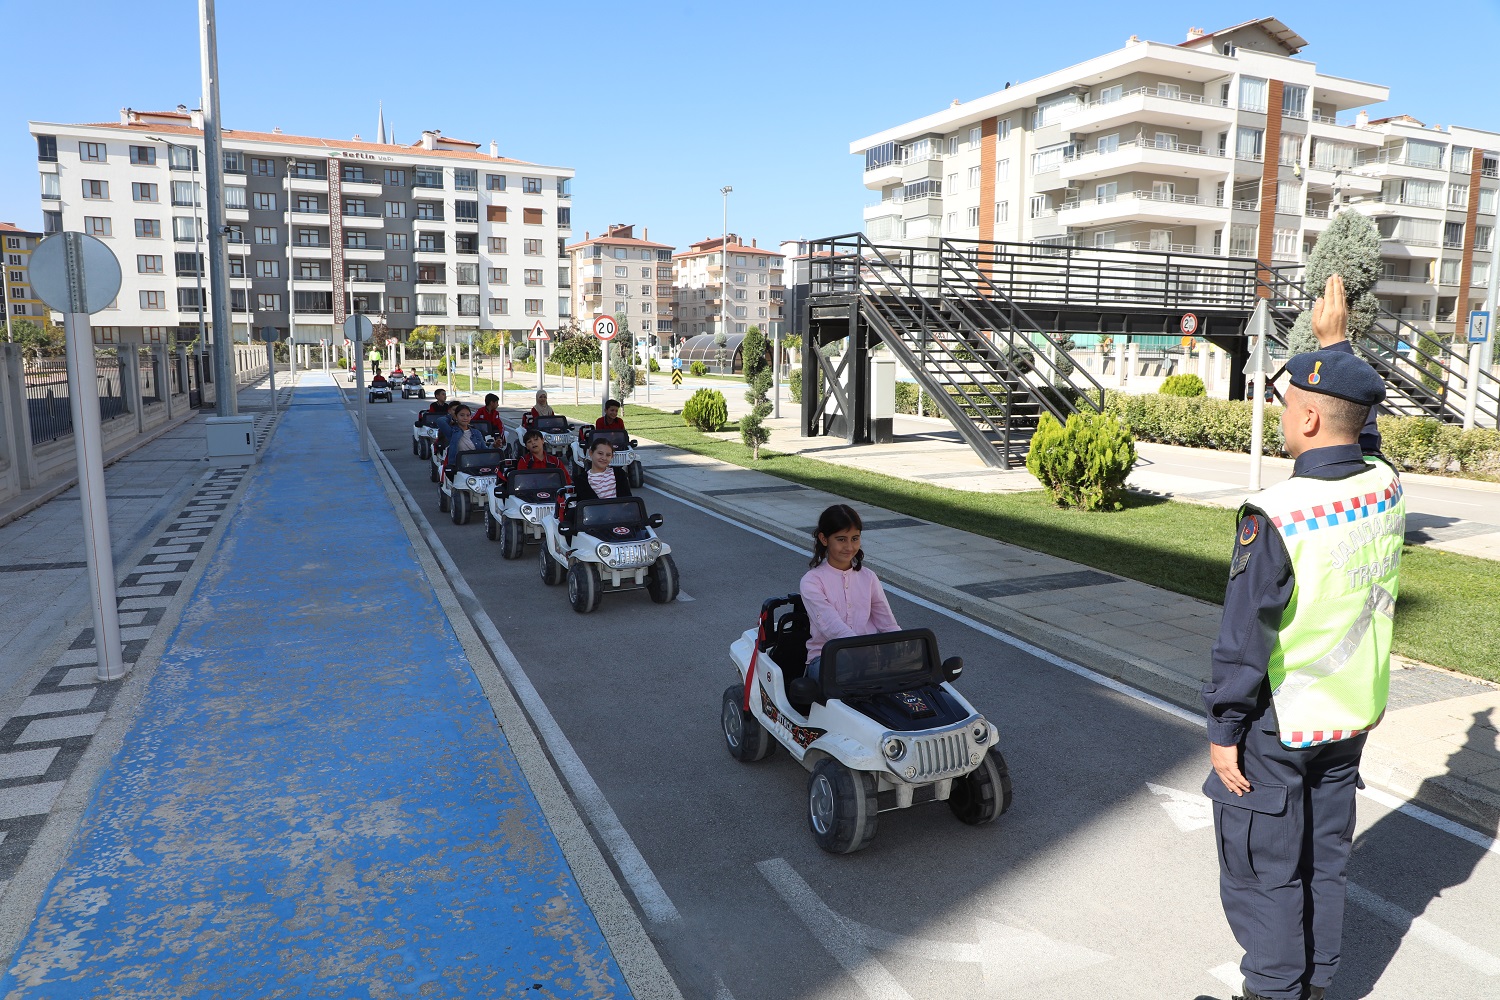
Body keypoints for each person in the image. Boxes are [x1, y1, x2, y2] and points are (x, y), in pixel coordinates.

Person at [1202, 274, 1403, 1000]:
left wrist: (1223, 727)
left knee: (1266, 871)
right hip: (1348, 715)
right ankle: (1317, 987)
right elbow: (1366, 425)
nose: (1284, 414)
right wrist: (1334, 342)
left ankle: (1273, 991)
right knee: (1325, 860)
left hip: (1279, 724)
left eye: (1289, 404)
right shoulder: (1384, 485)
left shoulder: (1277, 512)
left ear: (1310, 420)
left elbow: (1244, 637)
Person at [799, 504, 900, 685]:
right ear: (824, 539)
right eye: (841, 539)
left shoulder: (868, 577)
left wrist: (904, 650)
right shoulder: (811, 581)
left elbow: (888, 625)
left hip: (870, 659)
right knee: (862, 682)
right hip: (825, 659)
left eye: (855, 538)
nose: (849, 546)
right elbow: (832, 626)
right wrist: (865, 653)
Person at [443, 403, 487, 475]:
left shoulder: (476, 432)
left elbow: (484, 450)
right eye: (462, 415)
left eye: (468, 415)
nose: (465, 418)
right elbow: (440, 421)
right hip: (459, 468)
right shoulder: (452, 431)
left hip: (476, 466)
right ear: (456, 417)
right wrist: (450, 418)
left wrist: (494, 446)